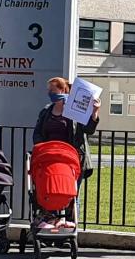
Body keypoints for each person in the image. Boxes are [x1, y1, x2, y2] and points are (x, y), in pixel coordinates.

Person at [33, 76, 100, 229]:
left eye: (52, 90)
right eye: (49, 90)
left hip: (73, 159)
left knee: (71, 193)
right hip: (50, 158)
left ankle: (70, 224)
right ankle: (49, 219)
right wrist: (41, 147)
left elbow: (88, 129)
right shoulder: (46, 111)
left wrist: (94, 113)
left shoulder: (74, 109)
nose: (49, 93)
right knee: (49, 189)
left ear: (63, 90)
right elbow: (37, 133)